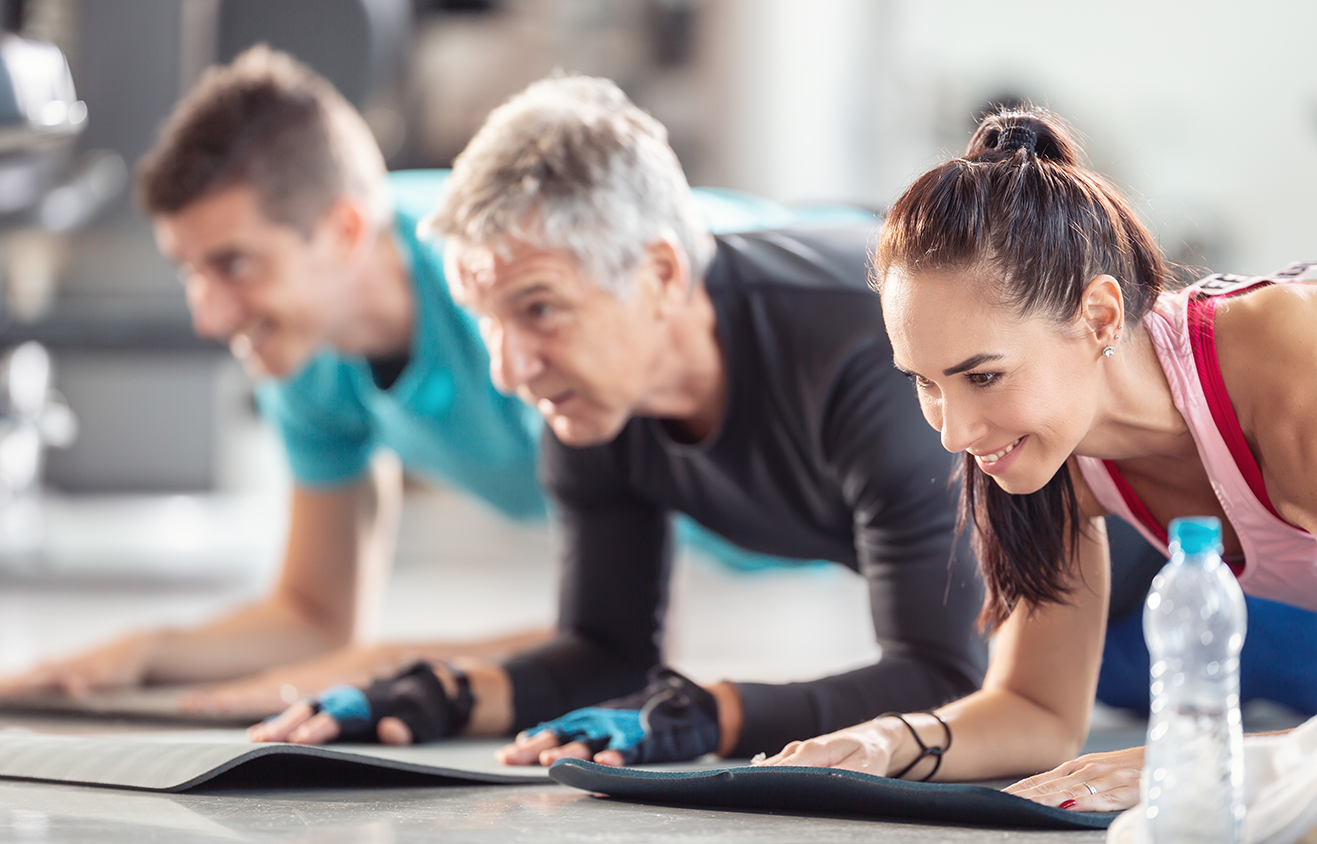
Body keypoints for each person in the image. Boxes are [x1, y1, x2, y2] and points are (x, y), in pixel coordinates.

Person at [0, 49, 832, 717]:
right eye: (191, 272)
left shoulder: (518, 302)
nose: (210, 317)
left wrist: (372, 671)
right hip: (774, 531)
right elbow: (316, 614)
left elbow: (621, 640)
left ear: (345, 229)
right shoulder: (311, 357)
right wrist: (141, 656)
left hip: (850, 377)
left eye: (234, 266)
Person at [758, 106, 1317, 811]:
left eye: (983, 376)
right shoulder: (1052, 450)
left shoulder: (1302, 371)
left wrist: (1179, 759)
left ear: (1100, 317)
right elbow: (1037, 709)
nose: (953, 433)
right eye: (926, 383)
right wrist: (890, 740)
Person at [248, 75, 989, 762]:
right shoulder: (597, 403)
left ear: (660, 275)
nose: (509, 370)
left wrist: (711, 715)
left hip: (1094, 626)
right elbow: (607, 651)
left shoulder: (867, 344)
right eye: (488, 323)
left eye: (540, 310)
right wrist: (434, 694)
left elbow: (949, 679)